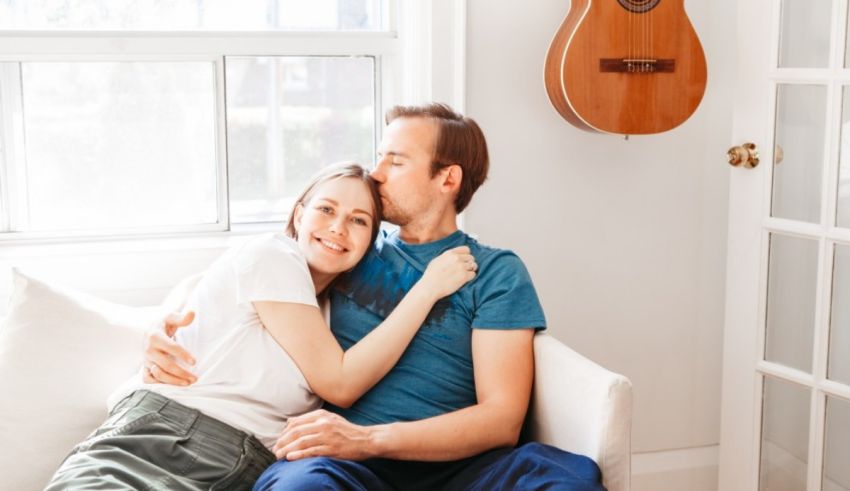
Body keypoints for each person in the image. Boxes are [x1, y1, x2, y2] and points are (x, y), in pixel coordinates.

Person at [147, 104, 605, 490]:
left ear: (447, 179)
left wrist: (371, 439)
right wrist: (166, 320)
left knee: (565, 479)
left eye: (396, 161)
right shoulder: (352, 245)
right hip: (341, 462)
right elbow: (246, 273)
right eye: (379, 156)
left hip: (459, 465)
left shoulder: (493, 271)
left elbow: (502, 420)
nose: (376, 173)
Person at [46, 162, 478, 490]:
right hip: (169, 437)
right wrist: (426, 290)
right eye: (326, 209)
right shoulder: (275, 256)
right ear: (299, 214)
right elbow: (341, 383)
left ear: (371, 240)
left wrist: (166, 313)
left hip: (246, 464)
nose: (337, 227)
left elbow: (194, 288)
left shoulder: (325, 307)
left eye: (359, 220)